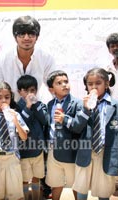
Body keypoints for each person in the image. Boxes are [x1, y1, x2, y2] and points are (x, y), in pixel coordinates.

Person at [73, 68, 118, 200]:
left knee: (104, 188)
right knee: (82, 185)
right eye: (90, 84)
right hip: (86, 151)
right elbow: (76, 128)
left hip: (106, 152)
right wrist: (86, 110)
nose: (94, 87)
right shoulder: (82, 105)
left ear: (107, 84)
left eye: (98, 83)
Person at [0, 15, 56, 102]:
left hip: (35, 108)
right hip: (8, 108)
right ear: (15, 37)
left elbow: (55, 87)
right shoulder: (1, 59)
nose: (26, 38)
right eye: (22, 34)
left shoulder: (46, 58)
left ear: (37, 37)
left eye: (31, 34)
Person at [45, 70, 86, 200]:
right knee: (55, 182)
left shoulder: (77, 103)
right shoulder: (50, 104)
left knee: (75, 184)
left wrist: (64, 119)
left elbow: (78, 126)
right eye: (59, 83)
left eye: (66, 81)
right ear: (51, 89)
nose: (64, 85)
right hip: (53, 150)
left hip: (70, 151)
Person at [0, 81, 29, 200]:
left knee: (16, 194)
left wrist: (15, 121)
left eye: (7, 97)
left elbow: (24, 137)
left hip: (12, 158)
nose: (3, 100)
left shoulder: (16, 115)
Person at [16, 75, 48, 200]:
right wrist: (28, 106)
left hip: (38, 151)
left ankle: (36, 197)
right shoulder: (17, 107)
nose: (30, 93)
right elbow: (21, 123)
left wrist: (35, 106)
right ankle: (25, 197)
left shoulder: (39, 105)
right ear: (20, 92)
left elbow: (45, 120)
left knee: (37, 177)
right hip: (24, 151)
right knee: (24, 179)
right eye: (26, 90)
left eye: (33, 90)